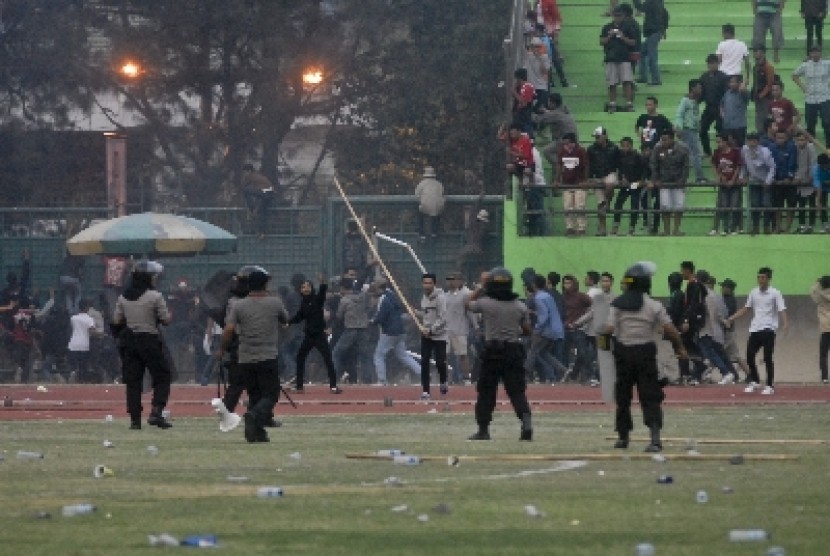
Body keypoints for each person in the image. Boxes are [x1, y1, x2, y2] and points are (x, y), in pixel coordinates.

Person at [604, 261, 686, 452]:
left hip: (623, 354)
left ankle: (623, 438)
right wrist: (680, 348)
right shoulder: (654, 305)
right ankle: (655, 439)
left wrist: (605, 351)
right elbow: (671, 330)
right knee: (650, 397)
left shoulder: (617, 305)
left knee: (623, 398)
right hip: (645, 355)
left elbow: (607, 331)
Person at [218, 266, 288, 442]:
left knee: (254, 393)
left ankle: (257, 433)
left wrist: (222, 349)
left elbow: (229, 329)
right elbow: (285, 319)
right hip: (267, 354)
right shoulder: (275, 302)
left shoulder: (238, 305)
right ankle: (255, 415)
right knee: (271, 394)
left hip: (245, 356)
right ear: (265, 284)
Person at [465, 268, 534, 441]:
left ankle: (483, 429)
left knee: (487, 391)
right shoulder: (520, 306)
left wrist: (481, 286)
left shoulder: (486, 303)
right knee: (517, 391)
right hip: (513, 351)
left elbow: (467, 303)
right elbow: (527, 331)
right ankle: (526, 421)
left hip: (492, 352)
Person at [111, 260, 173, 430]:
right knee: (162, 375)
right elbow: (166, 320)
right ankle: (157, 410)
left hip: (130, 341)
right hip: (149, 339)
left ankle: (135, 420)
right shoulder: (155, 296)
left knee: (133, 381)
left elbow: (116, 320)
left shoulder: (123, 297)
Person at [726, 266, 788, 395]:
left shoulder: (775, 293)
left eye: (763, 277)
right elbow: (746, 308)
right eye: (759, 277)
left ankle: (769, 385)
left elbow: (782, 309)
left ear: (769, 279)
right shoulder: (753, 293)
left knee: (767, 357)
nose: (760, 280)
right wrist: (732, 318)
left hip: (769, 329)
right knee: (749, 355)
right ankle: (754, 381)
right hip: (755, 328)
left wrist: (785, 324)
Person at [290, 276, 341, 394]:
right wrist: (288, 322)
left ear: (312, 288)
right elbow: (299, 317)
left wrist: (323, 283)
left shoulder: (317, 299)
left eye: (308, 286)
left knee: (327, 359)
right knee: (300, 358)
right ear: (300, 290)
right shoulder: (303, 302)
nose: (306, 289)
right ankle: (299, 386)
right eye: (303, 287)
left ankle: (333, 386)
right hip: (309, 336)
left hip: (319, 335)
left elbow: (322, 292)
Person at [371, 278, 421, 386]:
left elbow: (382, 316)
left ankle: (382, 380)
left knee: (379, 354)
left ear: (379, 288)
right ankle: (421, 373)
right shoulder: (392, 295)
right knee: (403, 355)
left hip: (389, 331)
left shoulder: (384, 299)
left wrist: (372, 321)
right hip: (400, 330)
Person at [696, 271, 739, 384]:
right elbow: (721, 313)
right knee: (716, 353)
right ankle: (729, 374)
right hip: (715, 329)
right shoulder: (715, 296)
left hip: (708, 329)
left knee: (709, 352)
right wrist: (724, 321)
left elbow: (711, 313)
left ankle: (726, 373)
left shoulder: (705, 294)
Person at [333, 276, 374, 384]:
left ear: (342, 288)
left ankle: (334, 377)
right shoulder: (363, 297)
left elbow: (339, 316)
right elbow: (369, 307)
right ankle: (367, 379)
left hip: (350, 330)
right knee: (365, 356)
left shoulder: (344, 300)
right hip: (364, 329)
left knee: (337, 353)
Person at [524, 274, 565, 384]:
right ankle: (562, 370)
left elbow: (544, 315)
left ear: (533, 285)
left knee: (533, 351)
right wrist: (534, 313)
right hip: (556, 329)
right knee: (543, 352)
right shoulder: (547, 295)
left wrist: (537, 329)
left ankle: (525, 374)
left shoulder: (538, 297)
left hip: (545, 330)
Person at [650, 129, 690, 236]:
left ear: (672, 139)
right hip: (663, 182)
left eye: (666, 140)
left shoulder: (683, 149)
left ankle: (676, 229)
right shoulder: (657, 148)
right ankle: (666, 229)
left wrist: (683, 179)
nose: (663, 142)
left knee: (679, 206)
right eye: (662, 140)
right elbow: (653, 165)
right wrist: (656, 179)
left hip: (678, 182)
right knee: (665, 206)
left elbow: (686, 166)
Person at [600, 7, 639, 113]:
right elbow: (601, 41)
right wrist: (609, 36)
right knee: (611, 83)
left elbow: (633, 42)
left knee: (627, 81)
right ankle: (612, 104)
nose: (617, 18)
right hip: (610, 58)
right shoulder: (607, 27)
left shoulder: (628, 27)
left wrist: (622, 37)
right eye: (615, 16)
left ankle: (629, 104)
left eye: (619, 16)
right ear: (612, 16)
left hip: (624, 58)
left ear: (623, 16)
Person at [792, 45, 830, 148]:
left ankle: (828, 145)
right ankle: (810, 146)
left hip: (824, 97)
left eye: (817, 52)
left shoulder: (827, 64)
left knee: (827, 123)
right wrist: (803, 87)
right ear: (810, 54)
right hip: (810, 99)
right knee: (810, 124)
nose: (815, 54)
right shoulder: (805, 65)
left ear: (820, 53)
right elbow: (794, 75)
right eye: (813, 52)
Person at [418, 273, 448, 400]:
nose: (427, 285)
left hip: (439, 335)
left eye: (429, 283)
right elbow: (426, 315)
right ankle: (426, 391)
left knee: (440, 362)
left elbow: (443, 318)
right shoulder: (424, 298)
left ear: (434, 284)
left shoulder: (441, 298)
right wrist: (417, 313)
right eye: (425, 283)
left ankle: (443, 381)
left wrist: (431, 330)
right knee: (424, 361)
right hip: (426, 336)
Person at [741, 131, 777, 234]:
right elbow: (743, 165)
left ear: (758, 141)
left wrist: (768, 181)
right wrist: (743, 176)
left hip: (765, 181)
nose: (752, 143)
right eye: (749, 141)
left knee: (766, 204)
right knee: (755, 204)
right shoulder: (744, 150)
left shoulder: (765, 152)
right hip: (754, 181)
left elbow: (772, 167)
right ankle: (755, 226)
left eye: (754, 141)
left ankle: (766, 226)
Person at [717, 278, 752, 383]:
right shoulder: (728, 299)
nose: (722, 289)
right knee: (736, 355)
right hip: (729, 332)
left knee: (716, 352)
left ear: (729, 289)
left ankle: (727, 374)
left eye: (724, 287)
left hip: (726, 332)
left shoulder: (728, 300)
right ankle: (750, 374)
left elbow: (725, 316)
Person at [555, 132, 590, 236]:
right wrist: (557, 179)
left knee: (580, 205)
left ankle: (581, 227)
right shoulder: (562, 152)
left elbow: (586, 166)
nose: (565, 146)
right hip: (567, 183)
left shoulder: (581, 151)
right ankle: (569, 227)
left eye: (567, 143)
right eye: (564, 144)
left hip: (579, 183)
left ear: (572, 143)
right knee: (567, 206)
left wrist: (585, 180)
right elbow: (558, 166)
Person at [587, 126, 620, 236]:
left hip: (610, 173)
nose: (596, 139)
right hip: (597, 176)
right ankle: (602, 229)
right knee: (600, 203)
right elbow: (589, 165)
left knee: (610, 184)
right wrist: (590, 177)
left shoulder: (614, 148)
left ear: (605, 136)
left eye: (598, 137)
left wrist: (619, 175)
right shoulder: (591, 149)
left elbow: (618, 164)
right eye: (596, 137)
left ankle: (608, 202)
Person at [444, 272, 476, 384]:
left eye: (454, 280)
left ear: (461, 281)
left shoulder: (467, 294)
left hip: (461, 330)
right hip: (446, 331)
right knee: (445, 355)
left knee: (463, 354)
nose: (451, 282)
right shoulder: (445, 295)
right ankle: (447, 379)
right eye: (449, 280)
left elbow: (472, 313)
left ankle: (466, 378)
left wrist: (475, 326)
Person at [679, 261, 708, 385]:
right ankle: (700, 366)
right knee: (687, 343)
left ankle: (702, 363)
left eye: (682, 270)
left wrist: (687, 320)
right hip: (695, 318)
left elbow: (693, 304)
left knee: (687, 342)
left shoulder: (694, 285)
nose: (681, 273)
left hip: (693, 319)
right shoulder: (696, 284)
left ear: (687, 270)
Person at [562, 274, 593, 383]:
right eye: (565, 283)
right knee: (564, 353)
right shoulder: (563, 297)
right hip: (565, 328)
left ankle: (585, 375)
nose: (567, 285)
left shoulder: (581, 296)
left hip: (578, 329)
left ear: (574, 284)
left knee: (582, 353)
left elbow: (592, 307)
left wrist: (582, 321)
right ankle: (567, 375)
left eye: (569, 283)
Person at [711, 133, 744, 235]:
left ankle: (733, 228)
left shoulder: (735, 152)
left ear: (725, 142)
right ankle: (725, 228)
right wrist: (720, 177)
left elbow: (738, 167)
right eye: (717, 142)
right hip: (723, 183)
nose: (718, 144)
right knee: (724, 205)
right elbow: (714, 165)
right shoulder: (717, 152)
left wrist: (733, 180)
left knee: (734, 205)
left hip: (734, 184)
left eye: (719, 141)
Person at [675, 78, 706, 183]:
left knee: (691, 153)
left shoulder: (695, 101)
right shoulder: (685, 100)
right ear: (692, 88)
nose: (700, 90)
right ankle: (699, 177)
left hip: (692, 130)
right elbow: (679, 114)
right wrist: (678, 128)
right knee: (694, 153)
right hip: (687, 129)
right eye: (698, 87)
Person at [537, 93, 579, 169]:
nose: (548, 103)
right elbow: (553, 114)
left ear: (553, 103)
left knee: (547, 151)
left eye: (549, 102)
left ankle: (560, 166)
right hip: (572, 139)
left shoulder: (555, 114)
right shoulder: (564, 110)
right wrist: (546, 111)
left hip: (564, 141)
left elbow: (539, 119)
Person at [613, 136, 646, 235]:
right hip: (625, 185)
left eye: (627, 146)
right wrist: (620, 179)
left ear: (631, 145)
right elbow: (619, 169)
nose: (624, 148)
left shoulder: (638, 156)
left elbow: (644, 171)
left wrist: (641, 181)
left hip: (635, 184)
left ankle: (632, 227)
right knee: (618, 203)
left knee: (634, 205)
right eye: (623, 146)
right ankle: (616, 226)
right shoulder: (620, 156)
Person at [768, 129, 797, 233]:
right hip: (776, 181)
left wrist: (789, 177)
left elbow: (792, 163)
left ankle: (788, 228)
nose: (780, 140)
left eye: (782, 138)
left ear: (787, 138)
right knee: (777, 205)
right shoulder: (771, 148)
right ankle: (777, 227)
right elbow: (771, 164)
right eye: (778, 138)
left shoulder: (791, 147)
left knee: (791, 205)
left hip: (789, 181)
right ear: (775, 138)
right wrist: (774, 178)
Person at [699, 54, 729, 156]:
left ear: (718, 63)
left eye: (713, 63)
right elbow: (701, 93)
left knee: (720, 131)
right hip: (709, 107)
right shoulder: (704, 77)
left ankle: (721, 151)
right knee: (702, 129)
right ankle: (707, 151)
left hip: (720, 107)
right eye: (709, 63)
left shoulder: (724, 77)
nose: (711, 65)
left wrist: (724, 108)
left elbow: (727, 94)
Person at [633, 0, 667, 86]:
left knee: (652, 56)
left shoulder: (651, 2)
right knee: (643, 53)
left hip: (653, 32)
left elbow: (640, 7)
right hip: (656, 32)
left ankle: (655, 79)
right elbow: (666, 16)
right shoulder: (660, 4)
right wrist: (663, 29)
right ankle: (644, 76)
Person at [241, 163, 276, 238]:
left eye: (245, 172)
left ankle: (252, 208)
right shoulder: (258, 176)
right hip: (270, 193)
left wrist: (251, 206)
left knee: (245, 190)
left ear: (249, 171)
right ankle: (262, 233)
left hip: (265, 192)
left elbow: (243, 186)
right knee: (263, 212)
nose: (244, 174)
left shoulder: (250, 176)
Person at [793, 130, 818, 233]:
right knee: (801, 204)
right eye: (798, 140)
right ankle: (802, 225)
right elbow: (795, 164)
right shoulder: (795, 148)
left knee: (811, 204)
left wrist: (810, 177)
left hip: (810, 180)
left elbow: (813, 163)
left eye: (802, 140)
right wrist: (796, 177)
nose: (800, 142)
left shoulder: (811, 147)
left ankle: (811, 225)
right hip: (799, 180)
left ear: (807, 140)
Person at [67, 299, 96, 384]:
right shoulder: (90, 319)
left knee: (73, 364)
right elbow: (92, 332)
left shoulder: (73, 318)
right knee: (83, 366)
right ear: (87, 308)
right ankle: (81, 381)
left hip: (73, 344)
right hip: (84, 345)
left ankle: (73, 374)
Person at [414, 166, 445, 241]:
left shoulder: (421, 184)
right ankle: (434, 233)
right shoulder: (439, 184)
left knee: (420, 214)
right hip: (438, 206)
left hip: (425, 206)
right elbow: (442, 194)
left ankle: (421, 234)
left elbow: (417, 196)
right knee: (436, 215)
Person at [751, 44, 776, 135]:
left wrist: (761, 95)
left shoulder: (768, 67)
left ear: (762, 53)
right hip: (758, 98)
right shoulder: (756, 66)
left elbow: (769, 84)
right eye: (754, 52)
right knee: (759, 118)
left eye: (757, 51)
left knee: (764, 119)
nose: (755, 54)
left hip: (765, 98)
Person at [720, 75, 751, 148]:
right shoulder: (727, 93)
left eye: (733, 82)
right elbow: (721, 104)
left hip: (739, 126)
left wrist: (744, 85)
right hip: (727, 126)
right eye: (730, 82)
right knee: (728, 147)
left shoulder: (743, 93)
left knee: (740, 147)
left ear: (739, 83)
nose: (731, 84)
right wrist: (722, 114)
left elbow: (746, 94)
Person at [810, 275, 830, 383]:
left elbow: (812, 291)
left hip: (825, 329)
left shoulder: (819, 297)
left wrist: (817, 282)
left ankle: (825, 377)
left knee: (823, 354)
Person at [59, 250, 84, 315]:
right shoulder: (77, 259)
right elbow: (80, 272)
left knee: (68, 294)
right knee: (78, 294)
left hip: (63, 278)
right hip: (73, 278)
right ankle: (76, 311)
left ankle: (70, 312)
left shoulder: (65, 259)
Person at [813, 152, 830, 232]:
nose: (824, 167)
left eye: (825, 165)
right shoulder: (816, 169)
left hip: (826, 184)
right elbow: (818, 186)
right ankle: (825, 225)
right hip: (823, 188)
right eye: (822, 166)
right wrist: (818, 201)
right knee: (822, 204)